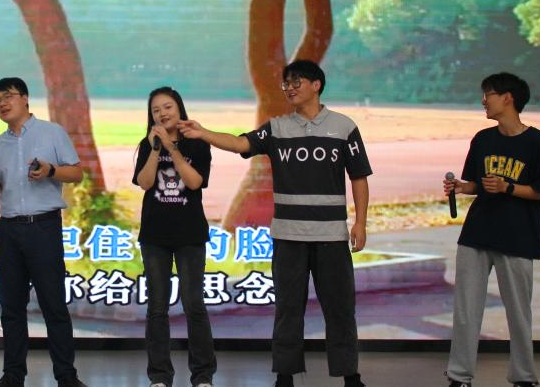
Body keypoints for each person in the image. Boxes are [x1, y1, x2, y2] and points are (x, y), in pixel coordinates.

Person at [180, 59, 370, 387]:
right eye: (286, 83)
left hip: (331, 237)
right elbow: (240, 143)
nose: (290, 88)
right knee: (287, 309)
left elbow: (359, 177)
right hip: (288, 237)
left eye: (297, 82)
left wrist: (361, 223)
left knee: (340, 309)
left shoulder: (343, 127)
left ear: (316, 85)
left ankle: (350, 376)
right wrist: (203, 133)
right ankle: (285, 376)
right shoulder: (277, 128)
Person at [0, 77, 88, 387]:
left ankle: (66, 376)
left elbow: (76, 172)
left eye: (8, 96)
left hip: (44, 227)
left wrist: (51, 171)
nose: (2, 103)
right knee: (11, 308)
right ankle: (13, 375)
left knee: (53, 305)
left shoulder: (52, 133)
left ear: (24, 98)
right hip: (9, 230)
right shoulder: (0, 143)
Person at [442, 72, 540, 387]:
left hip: (518, 237)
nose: (483, 101)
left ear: (508, 98)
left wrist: (508, 187)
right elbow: (476, 184)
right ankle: (459, 376)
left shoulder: (537, 142)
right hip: (477, 234)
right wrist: (461, 187)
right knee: (466, 310)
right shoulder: (482, 139)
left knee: (518, 313)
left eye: (488, 94)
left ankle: (524, 377)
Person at [133, 86, 216, 387]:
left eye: (167, 107)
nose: (162, 113)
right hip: (154, 236)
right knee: (157, 307)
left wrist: (173, 148)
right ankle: (159, 376)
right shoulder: (148, 144)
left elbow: (194, 182)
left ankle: (202, 376)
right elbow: (145, 182)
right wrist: (157, 148)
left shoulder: (198, 143)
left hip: (190, 235)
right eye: (156, 110)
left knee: (194, 305)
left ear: (179, 109)